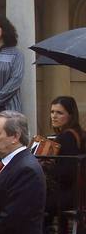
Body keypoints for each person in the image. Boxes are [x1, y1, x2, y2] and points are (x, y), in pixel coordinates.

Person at [34, 96, 84, 224]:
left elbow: (68, 172)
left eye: (59, 113)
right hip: (77, 194)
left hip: (68, 196)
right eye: (52, 112)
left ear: (70, 116)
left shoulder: (66, 137)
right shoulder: (79, 133)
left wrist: (46, 166)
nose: (54, 116)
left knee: (30, 203)